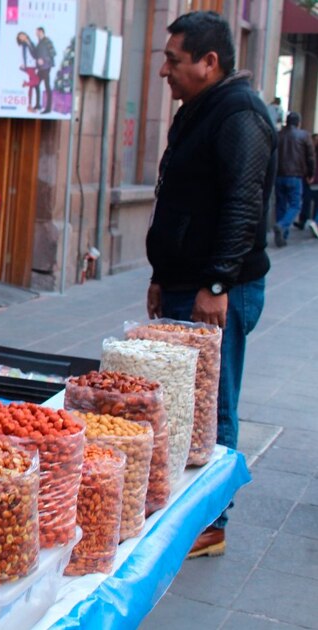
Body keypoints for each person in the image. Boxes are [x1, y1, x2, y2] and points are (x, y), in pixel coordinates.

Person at [146, 11, 275, 558]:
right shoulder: (199, 110)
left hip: (217, 288)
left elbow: (243, 205)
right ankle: (190, 504)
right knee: (184, 402)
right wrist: (161, 275)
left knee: (213, 403)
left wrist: (217, 284)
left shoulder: (239, 114)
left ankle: (213, 521)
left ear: (209, 62)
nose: (164, 72)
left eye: (173, 60)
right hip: (184, 281)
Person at [273, 112, 316, 246]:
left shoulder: (279, 135)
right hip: (295, 176)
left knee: (281, 205)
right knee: (295, 204)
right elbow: (310, 157)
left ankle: (282, 235)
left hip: (279, 175)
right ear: (298, 123)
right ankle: (282, 225)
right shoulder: (304, 136)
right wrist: (310, 174)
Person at [34, 26, 56, 114]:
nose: (36, 34)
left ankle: (48, 108)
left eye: (37, 32)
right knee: (36, 84)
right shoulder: (39, 42)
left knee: (47, 86)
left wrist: (43, 59)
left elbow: (53, 53)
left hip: (46, 67)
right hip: (41, 68)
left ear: (41, 32)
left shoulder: (47, 41)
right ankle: (38, 104)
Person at [16, 32, 39, 113]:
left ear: (26, 35)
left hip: (34, 65)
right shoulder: (23, 46)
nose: (22, 37)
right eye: (20, 37)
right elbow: (22, 55)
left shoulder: (31, 43)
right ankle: (26, 84)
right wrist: (22, 64)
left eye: (22, 35)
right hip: (28, 66)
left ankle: (29, 106)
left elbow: (35, 53)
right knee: (36, 81)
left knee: (31, 86)